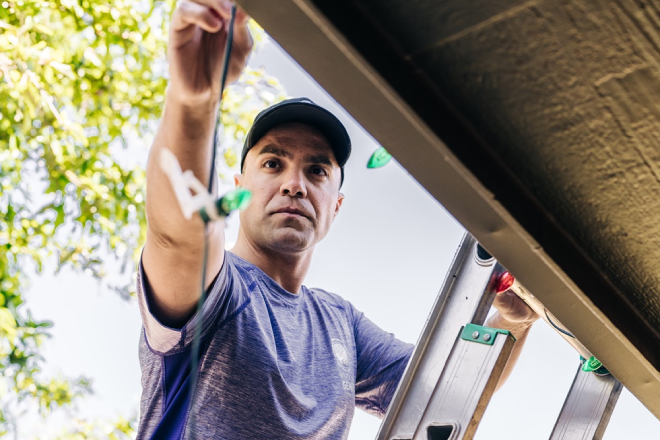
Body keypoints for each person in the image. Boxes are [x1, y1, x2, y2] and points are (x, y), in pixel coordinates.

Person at [135, 1, 539, 438]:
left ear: (336, 206)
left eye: (317, 170)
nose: (295, 184)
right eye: (273, 164)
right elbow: (180, 235)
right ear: (239, 188)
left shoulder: (338, 322)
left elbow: (448, 390)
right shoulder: (219, 289)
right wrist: (193, 99)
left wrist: (513, 322)